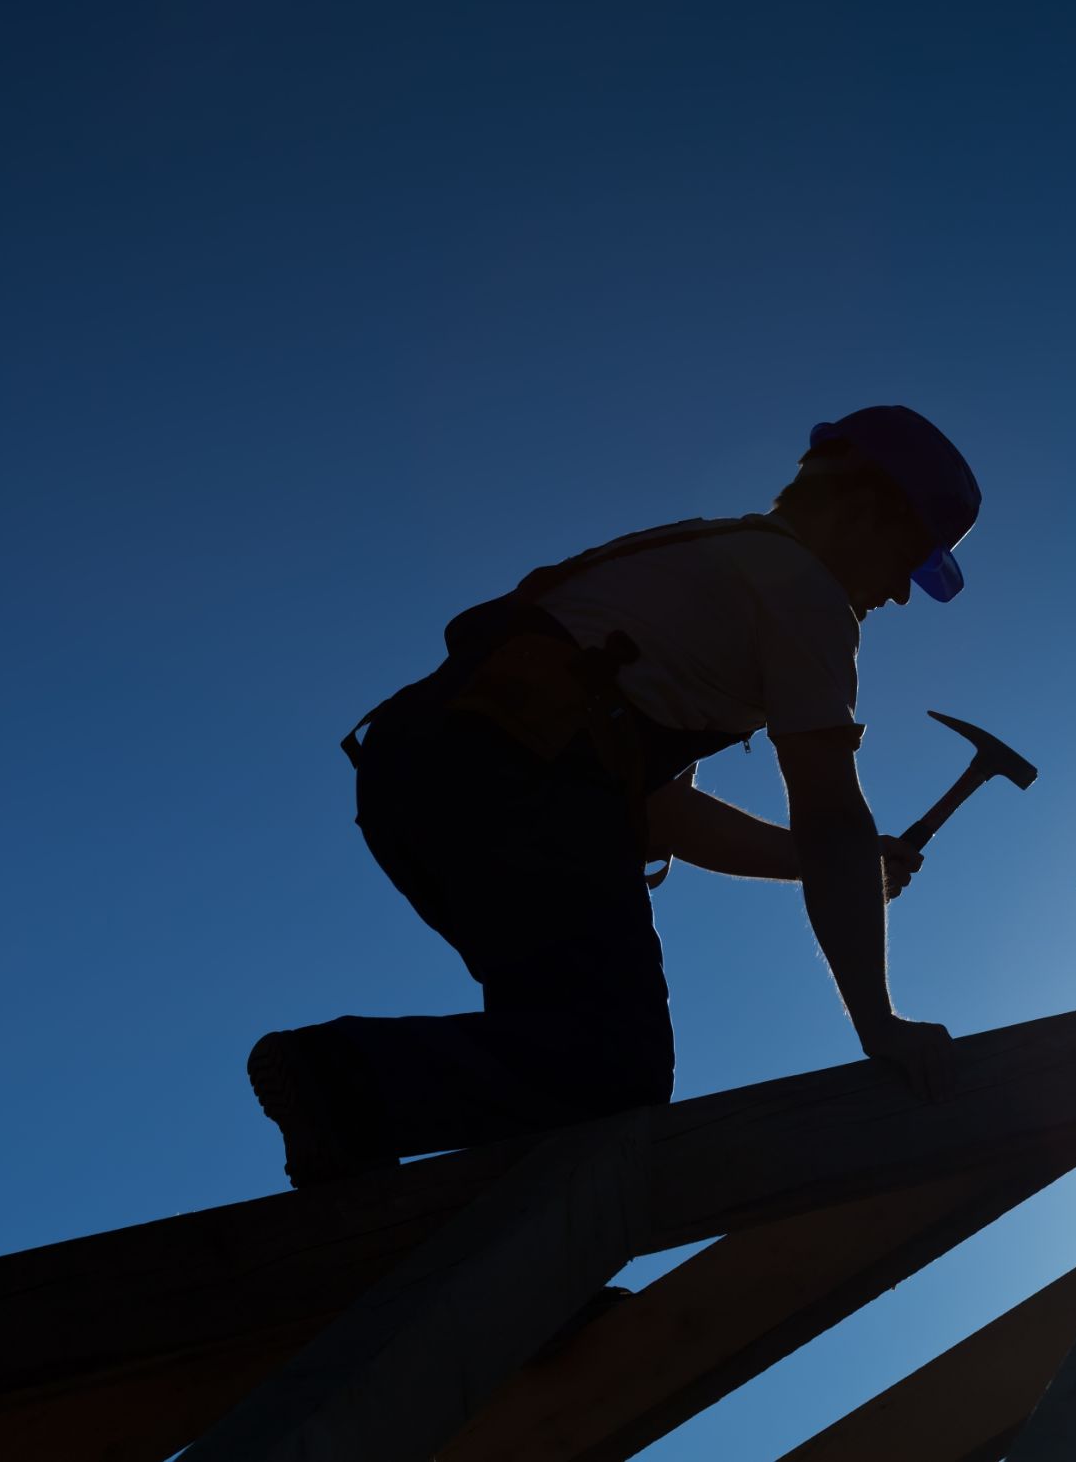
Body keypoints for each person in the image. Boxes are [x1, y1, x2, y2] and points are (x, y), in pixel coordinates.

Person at [247, 407, 978, 1188]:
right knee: (609, 1066)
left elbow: (667, 814)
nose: (902, 593)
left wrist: (835, 868)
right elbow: (831, 813)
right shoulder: (803, 592)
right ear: (865, 507)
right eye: (910, 557)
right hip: (514, 784)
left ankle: (360, 1152)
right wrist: (879, 1023)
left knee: (568, 1059)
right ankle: (339, 1080)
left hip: (422, 776)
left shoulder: (702, 569)